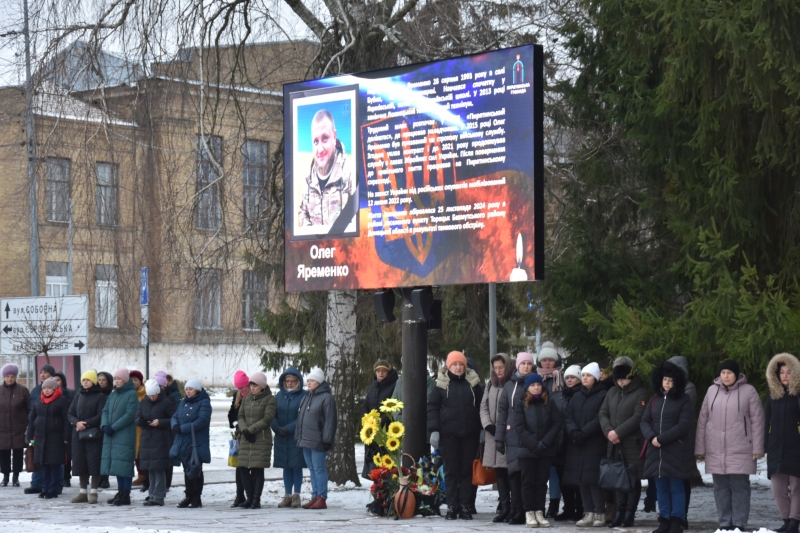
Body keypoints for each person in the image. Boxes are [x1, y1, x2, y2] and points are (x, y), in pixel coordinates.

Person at [695, 360, 765, 531]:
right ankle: (725, 523)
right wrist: (700, 448)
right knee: (720, 488)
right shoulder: (712, 391)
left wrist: (757, 448)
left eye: (729, 372)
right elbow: (703, 420)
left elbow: (758, 421)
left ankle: (739, 524)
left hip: (741, 448)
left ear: (737, 375)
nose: (725, 376)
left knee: (740, 487)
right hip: (716, 449)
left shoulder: (749, 391)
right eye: (723, 372)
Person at [428, 351, 484, 520]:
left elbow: (482, 408)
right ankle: (452, 506)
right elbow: (432, 408)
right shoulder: (440, 386)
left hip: (470, 435)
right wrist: (434, 430)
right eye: (455, 365)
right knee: (451, 472)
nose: (458, 368)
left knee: (467, 472)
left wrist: (482, 429)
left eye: (461, 364)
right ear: (449, 366)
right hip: (448, 435)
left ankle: (465, 506)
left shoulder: (474, 384)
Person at [641, 361, 694, 533]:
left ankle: (677, 521)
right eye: (665, 380)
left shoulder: (684, 400)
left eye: (671, 380)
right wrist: (651, 437)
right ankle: (664, 520)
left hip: (675, 450)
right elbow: (644, 421)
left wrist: (661, 438)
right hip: (655, 451)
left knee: (676, 488)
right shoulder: (655, 399)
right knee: (661, 488)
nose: (667, 384)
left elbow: (684, 424)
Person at [598, 356, 649, 527]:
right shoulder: (611, 392)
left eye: (624, 379)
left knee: (632, 480)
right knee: (617, 479)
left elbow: (638, 416)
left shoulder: (640, 392)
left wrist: (618, 432)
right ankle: (618, 513)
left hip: (631, 443)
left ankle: (629, 513)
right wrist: (609, 432)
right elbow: (603, 413)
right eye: (619, 379)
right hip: (614, 443)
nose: (622, 382)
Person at [563, 362, 611, 527]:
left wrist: (584, 432)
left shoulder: (603, 394)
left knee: (594, 479)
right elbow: (568, 416)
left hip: (594, 442)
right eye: (583, 375)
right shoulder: (577, 395)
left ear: (596, 377)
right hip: (577, 442)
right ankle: (588, 512)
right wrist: (574, 432)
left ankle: (599, 512)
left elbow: (601, 417)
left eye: (588, 375)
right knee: (581, 479)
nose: (584, 378)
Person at [515, 372, 564, 528]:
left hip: (545, 450)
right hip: (527, 450)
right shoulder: (521, 403)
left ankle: (539, 511)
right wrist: (534, 444)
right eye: (533, 385)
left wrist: (544, 443)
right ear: (527, 388)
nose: (536, 388)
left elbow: (557, 424)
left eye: (538, 385)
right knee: (528, 482)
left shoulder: (549, 403)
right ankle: (529, 512)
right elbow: (520, 428)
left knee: (541, 483)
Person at [297, 108, 357, 228]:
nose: (320, 149)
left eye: (325, 138)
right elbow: (302, 212)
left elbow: (358, 221)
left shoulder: (351, 173)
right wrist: (311, 234)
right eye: (315, 141)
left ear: (334, 137)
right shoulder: (308, 180)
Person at [496, 351, 536, 525]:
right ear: (517, 366)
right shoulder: (509, 386)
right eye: (523, 364)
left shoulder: (536, 383)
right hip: (512, 435)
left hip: (531, 435)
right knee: (514, 474)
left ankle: (529, 510)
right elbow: (502, 412)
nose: (526, 366)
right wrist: (499, 437)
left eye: (529, 363)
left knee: (528, 476)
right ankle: (517, 509)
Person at [765, 353, 800, 533]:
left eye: (789, 372)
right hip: (776, 449)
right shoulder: (773, 397)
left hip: (796, 449)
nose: (785, 375)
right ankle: (786, 520)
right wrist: (764, 445)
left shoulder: (798, 395)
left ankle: (795, 521)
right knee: (778, 488)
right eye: (782, 372)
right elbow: (766, 421)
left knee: (796, 488)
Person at [295, 367, 337, 510]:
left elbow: (330, 421)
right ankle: (314, 496)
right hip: (306, 439)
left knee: (319, 469)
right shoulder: (307, 396)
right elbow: (300, 419)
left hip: (318, 440)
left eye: (312, 380)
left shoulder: (326, 398)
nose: (309, 383)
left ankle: (322, 497)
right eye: (308, 380)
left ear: (319, 382)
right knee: (312, 470)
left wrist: (327, 439)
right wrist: (298, 437)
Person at [480, 353, 515, 522]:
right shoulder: (490, 384)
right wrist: (488, 425)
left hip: (508, 433)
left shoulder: (513, 383)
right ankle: (504, 507)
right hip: (493, 434)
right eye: (496, 368)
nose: (499, 370)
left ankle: (514, 507)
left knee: (510, 471)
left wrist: (504, 428)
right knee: (499, 471)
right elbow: (483, 407)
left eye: (501, 367)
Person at [237, 371, 276, 509]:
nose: (252, 388)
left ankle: (256, 499)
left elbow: (267, 418)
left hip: (260, 439)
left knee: (257, 470)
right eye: (251, 385)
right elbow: (240, 415)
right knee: (243, 467)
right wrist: (244, 430)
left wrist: (251, 430)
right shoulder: (247, 398)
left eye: (255, 385)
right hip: (246, 437)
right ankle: (249, 497)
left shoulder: (269, 399)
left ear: (262, 386)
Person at [68, 370, 108, 504]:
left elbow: (101, 414)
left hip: (93, 435)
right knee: (80, 463)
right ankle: (82, 492)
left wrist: (86, 423)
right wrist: (76, 422)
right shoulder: (77, 395)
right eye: (83, 380)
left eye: (88, 380)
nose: (85, 382)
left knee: (94, 463)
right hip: (78, 434)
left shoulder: (100, 396)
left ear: (93, 382)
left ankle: (94, 492)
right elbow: (70, 413)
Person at [26, 376, 70, 498]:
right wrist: (29, 436)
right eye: (44, 388)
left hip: (56, 438)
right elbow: (32, 420)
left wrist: (66, 436)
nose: (46, 390)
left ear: (55, 388)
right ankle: (45, 488)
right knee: (43, 464)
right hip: (40, 438)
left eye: (49, 388)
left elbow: (67, 420)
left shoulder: (62, 400)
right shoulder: (38, 401)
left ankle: (54, 489)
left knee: (54, 464)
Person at [170, 378, 211, 508]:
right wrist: (175, 425)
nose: (188, 392)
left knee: (196, 469)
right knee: (186, 469)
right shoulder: (183, 403)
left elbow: (201, 421)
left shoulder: (204, 403)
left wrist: (182, 428)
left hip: (196, 442)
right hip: (183, 442)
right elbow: (174, 416)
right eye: (187, 389)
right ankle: (188, 495)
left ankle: (196, 497)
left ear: (197, 390)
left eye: (191, 389)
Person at [100, 368, 139, 506]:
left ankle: (125, 493)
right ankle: (120, 491)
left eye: (119, 379)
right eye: (115, 379)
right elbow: (105, 410)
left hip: (124, 434)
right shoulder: (113, 394)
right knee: (116, 464)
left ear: (125, 380)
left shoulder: (131, 394)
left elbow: (129, 415)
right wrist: (104, 425)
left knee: (124, 464)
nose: (116, 381)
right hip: (111, 435)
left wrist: (114, 427)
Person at [136, 379, 177, 507]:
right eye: (150, 395)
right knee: (150, 469)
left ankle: (158, 497)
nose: (152, 397)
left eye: (154, 395)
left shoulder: (166, 403)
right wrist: (143, 422)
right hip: (147, 439)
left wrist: (160, 422)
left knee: (158, 469)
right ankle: (152, 494)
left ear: (158, 393)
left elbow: (174, 419)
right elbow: (137, 417)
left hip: (161, 440)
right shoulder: (144, 402)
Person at [537, 343, 566, 519]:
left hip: (558, 433)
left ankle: (554, 504)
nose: (547, 363)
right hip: (538, 432)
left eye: (551, 360)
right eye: (544, 360)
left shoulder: (562, 379)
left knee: (555, 471)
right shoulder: (535, 380)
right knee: (540, 473)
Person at [272, 367, 307, 509]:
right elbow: (272, 414)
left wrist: (288, 428)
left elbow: (302, 417)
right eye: (287, 381)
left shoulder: (303, 396)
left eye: (293, 380)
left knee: (296, 466)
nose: (290, 383)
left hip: (295, 436)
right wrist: (276, 427)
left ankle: (296, 495)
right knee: (286, 466)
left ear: (298, 381)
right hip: (281, 436)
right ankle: (287, 495)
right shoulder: (279, 396)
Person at [556, 364, 585, 522]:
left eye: (573, 377)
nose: (569, 380)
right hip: (562, 441)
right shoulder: (563, 395)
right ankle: (568, 507)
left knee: (577, 478)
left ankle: (580, 509)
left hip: (576, 439)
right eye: (567, 377)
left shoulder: (581, 394)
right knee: (563, 477)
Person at [361, 360, 399, 479]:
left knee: (386, 466)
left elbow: (393, 407)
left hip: (386, 432)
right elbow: (366, 404)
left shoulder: (394, 386)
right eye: (378, 371)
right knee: (374, 467)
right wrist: (367, 421)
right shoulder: (373, 387)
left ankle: (387, 493)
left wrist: (379, 422)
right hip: (373, 433)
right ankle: (377, 493)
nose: (381, 373)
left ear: (388, 372)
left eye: (383, 371)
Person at [24, 363, 56, 495]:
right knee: (35, 455)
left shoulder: (58, 390)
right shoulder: (36, 390)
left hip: (51, 433)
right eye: (41, 372)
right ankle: (36, 483)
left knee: (50, 459)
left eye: (46, 372)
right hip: (36, 431)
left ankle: (53, 486)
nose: (42, 374)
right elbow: (31, 409)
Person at [0, 364, 29, 488]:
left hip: (19, 428)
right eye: (7, 376)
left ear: (16, 377)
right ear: (3, 377)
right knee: (3, 454)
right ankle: (5, 476)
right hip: (2, 429)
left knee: (18, 453)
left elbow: (29, 409)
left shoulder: (22, 391)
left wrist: (27, 425)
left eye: (12, 376)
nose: (9, 379)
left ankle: (16, 477)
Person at [228, 370, 250, 507]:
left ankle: (250, 495)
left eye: (243, 387)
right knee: (239, 466)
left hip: (249, 432)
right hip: (239, 434)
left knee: (248, 466)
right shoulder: (237, 396)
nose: (241, 390)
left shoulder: (253, 395)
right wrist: (235, 423)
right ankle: (239, 494)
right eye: (239, 387)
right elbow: (231, 413)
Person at [128, 370, 148, 489]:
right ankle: (140, 474)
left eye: (136, 380)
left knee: (141, 451)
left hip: (142, 427)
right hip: (131, 427)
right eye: (131, 380)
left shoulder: (145, 394)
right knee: (134, 451)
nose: (133, 382)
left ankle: (144, 475)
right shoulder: (128, 393)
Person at [96, 370, 114, 489]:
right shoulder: (95, 394)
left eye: (104, 381)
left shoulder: (111, 395)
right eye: (99, 380)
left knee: (106, 454)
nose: (101, 383)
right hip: (95, 427)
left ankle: (105, 478)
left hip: (107, 428)